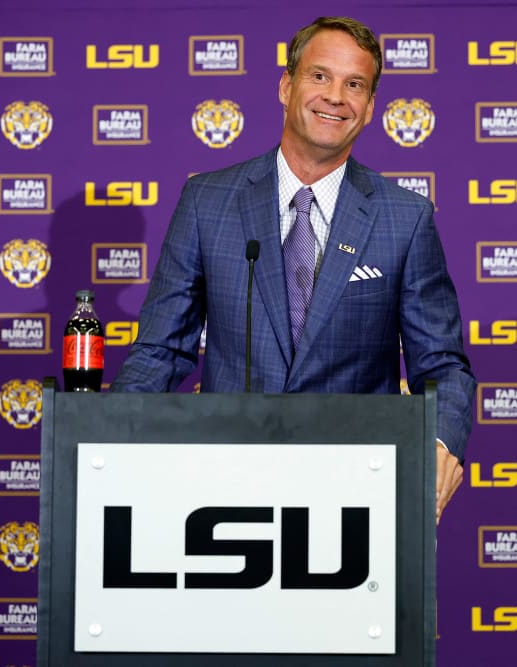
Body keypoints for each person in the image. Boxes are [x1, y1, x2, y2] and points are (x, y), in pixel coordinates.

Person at [111, 16, 475, 521]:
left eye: (355, 85)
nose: (335, 97)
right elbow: (160, 348)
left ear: (369, 108)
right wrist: (105, 443)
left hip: (355, 495)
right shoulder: (207, 201)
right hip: (223, 488)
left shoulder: (405, 217)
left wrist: (438, 441)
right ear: (286, 86)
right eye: (320, 76)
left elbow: (442, 365)